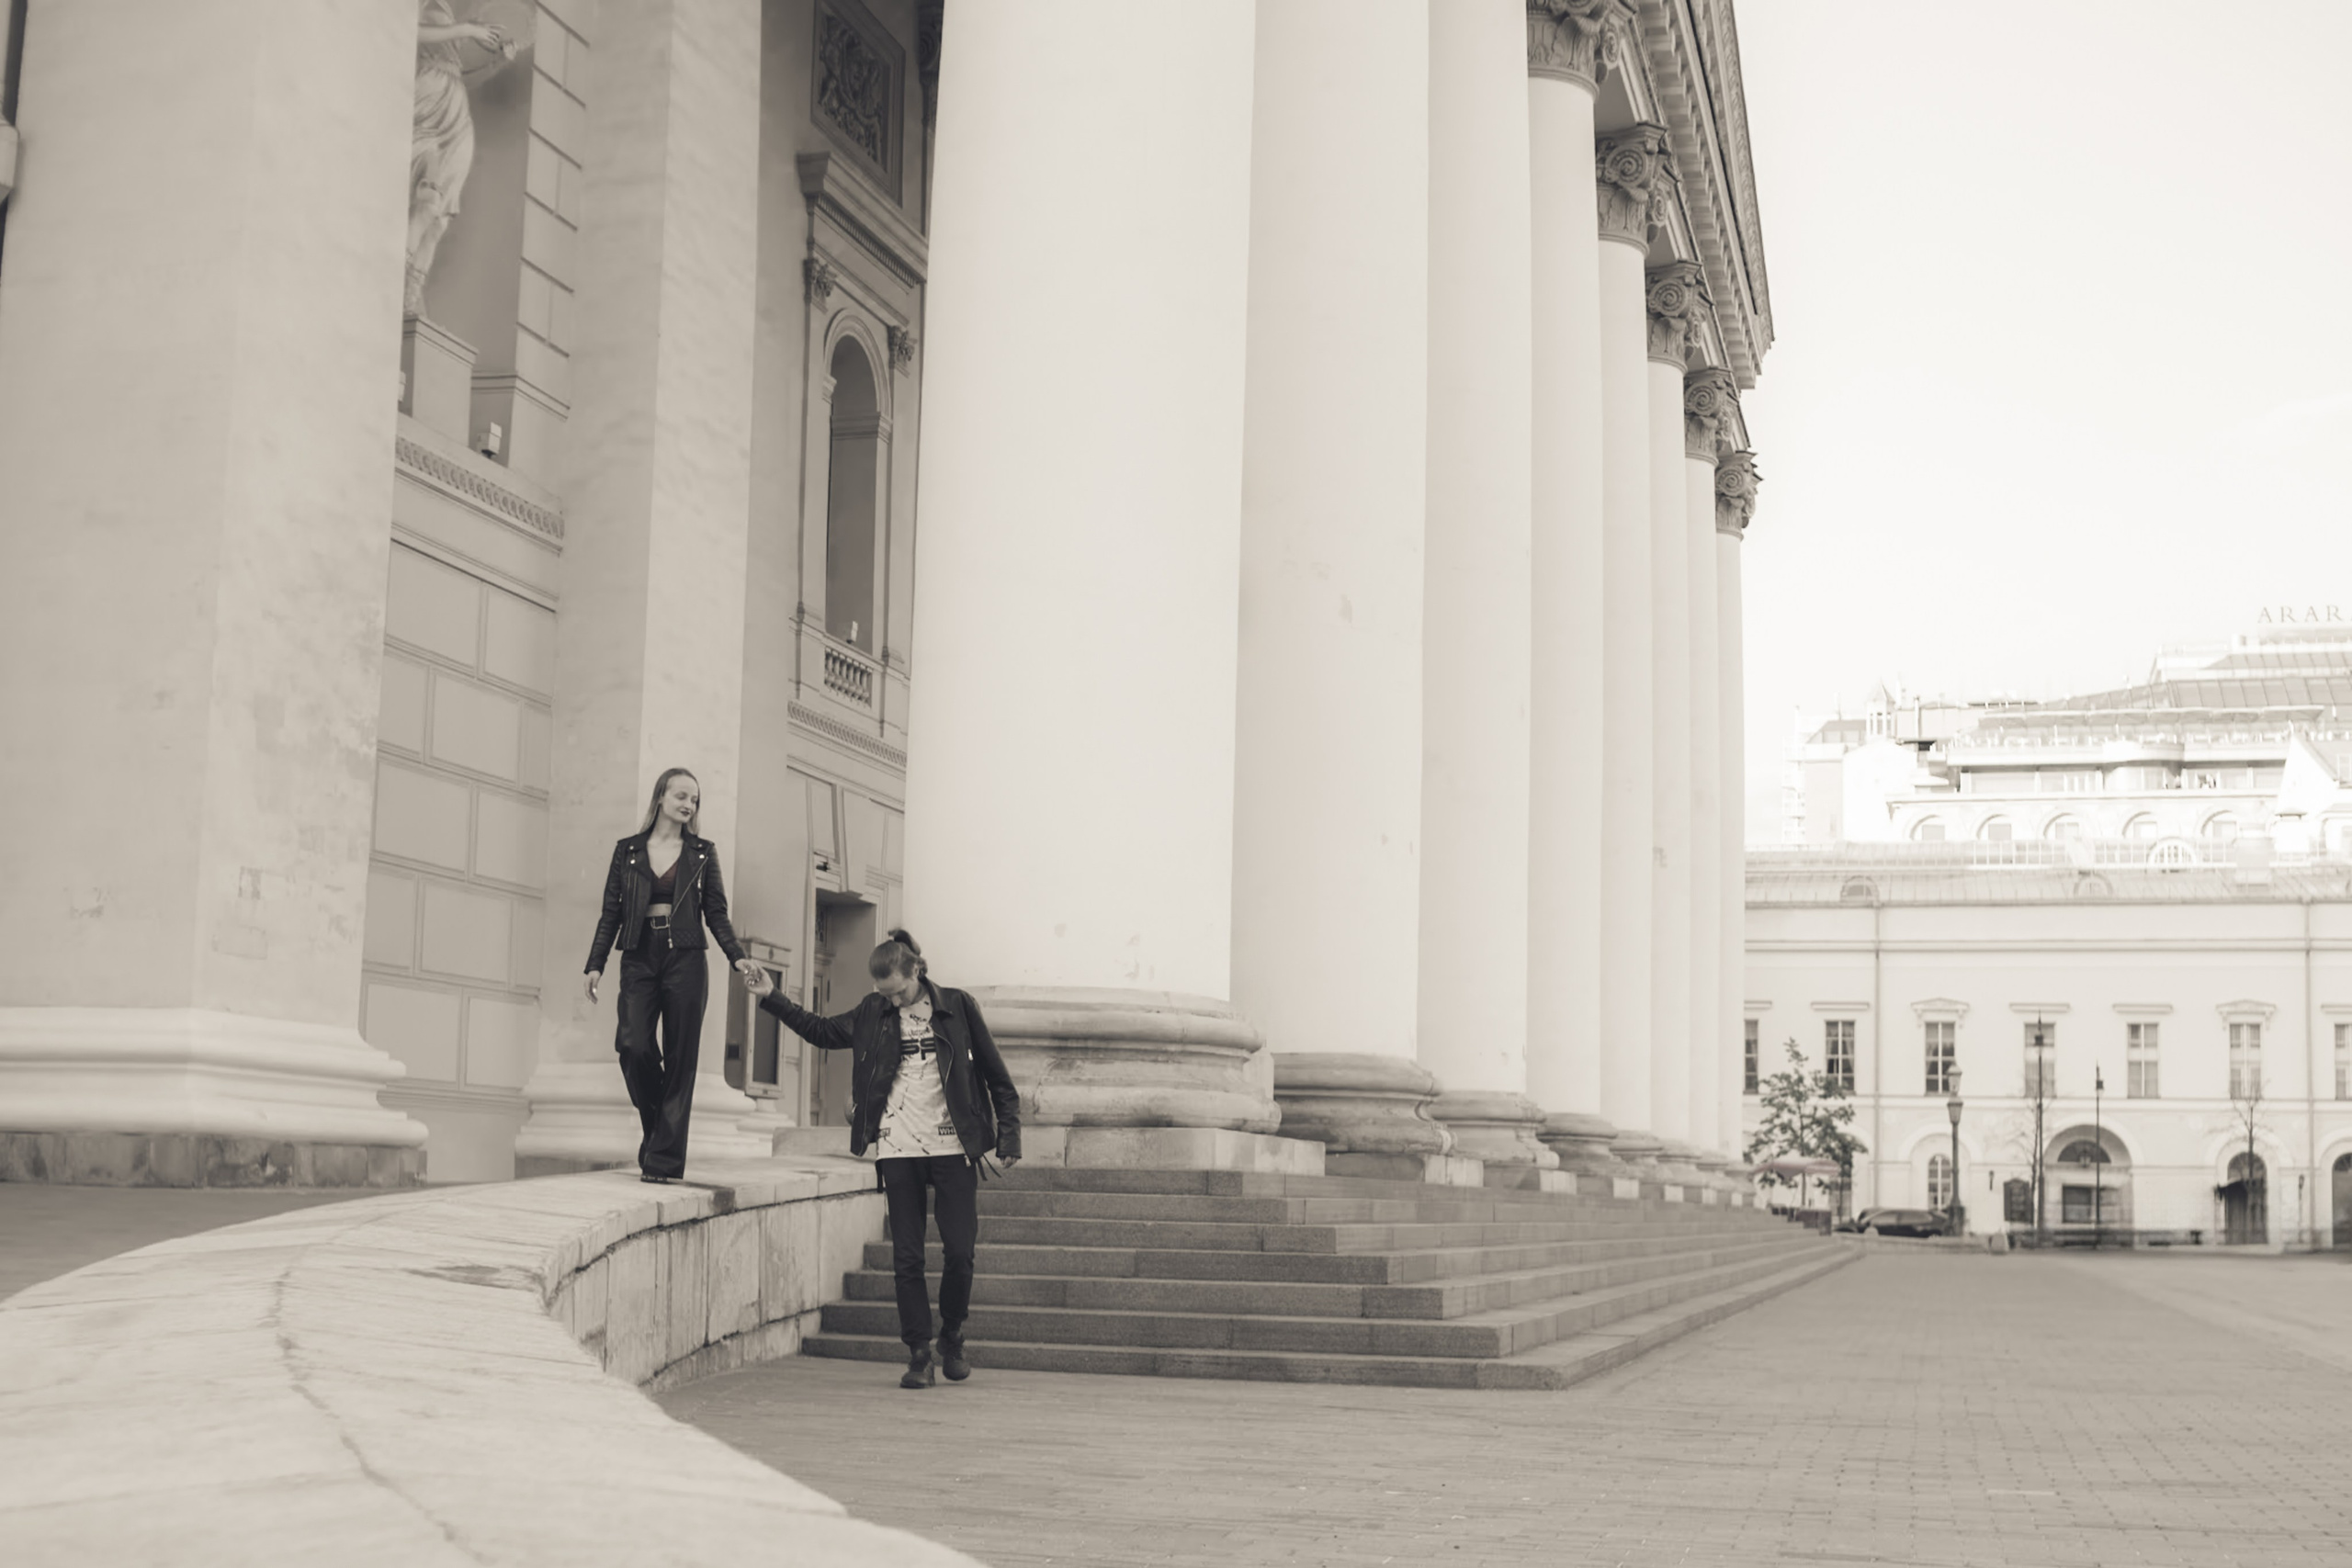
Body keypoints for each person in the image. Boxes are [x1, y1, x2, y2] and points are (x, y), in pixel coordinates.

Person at [746, 930, 1021, 1389]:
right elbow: (822, 1031)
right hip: (898, 1147)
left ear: (916, 972)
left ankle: (951, 1334)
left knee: (960, 1253)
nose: (891, 1002)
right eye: (884, 995)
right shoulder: (874, 1012)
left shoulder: (957, 1006)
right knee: (907, 1258)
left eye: (897, 992)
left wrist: (1008, 1135)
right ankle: (918, 1354)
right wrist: (772, 997)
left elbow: (996, 1075)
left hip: (953, 1146)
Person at [582, 768, 763, 1183]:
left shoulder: (702, 852)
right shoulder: (627, 850)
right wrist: (596, 963)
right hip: (639, 955)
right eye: (682, 796)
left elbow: (716, 912)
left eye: (695, 800)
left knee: (682, 1060)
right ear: (661, 796)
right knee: (633, 1045)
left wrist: (736, 958)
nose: (689, 805)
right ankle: (659, 1132)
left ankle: (661, 1161)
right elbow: (611, 911)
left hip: (685, 958)